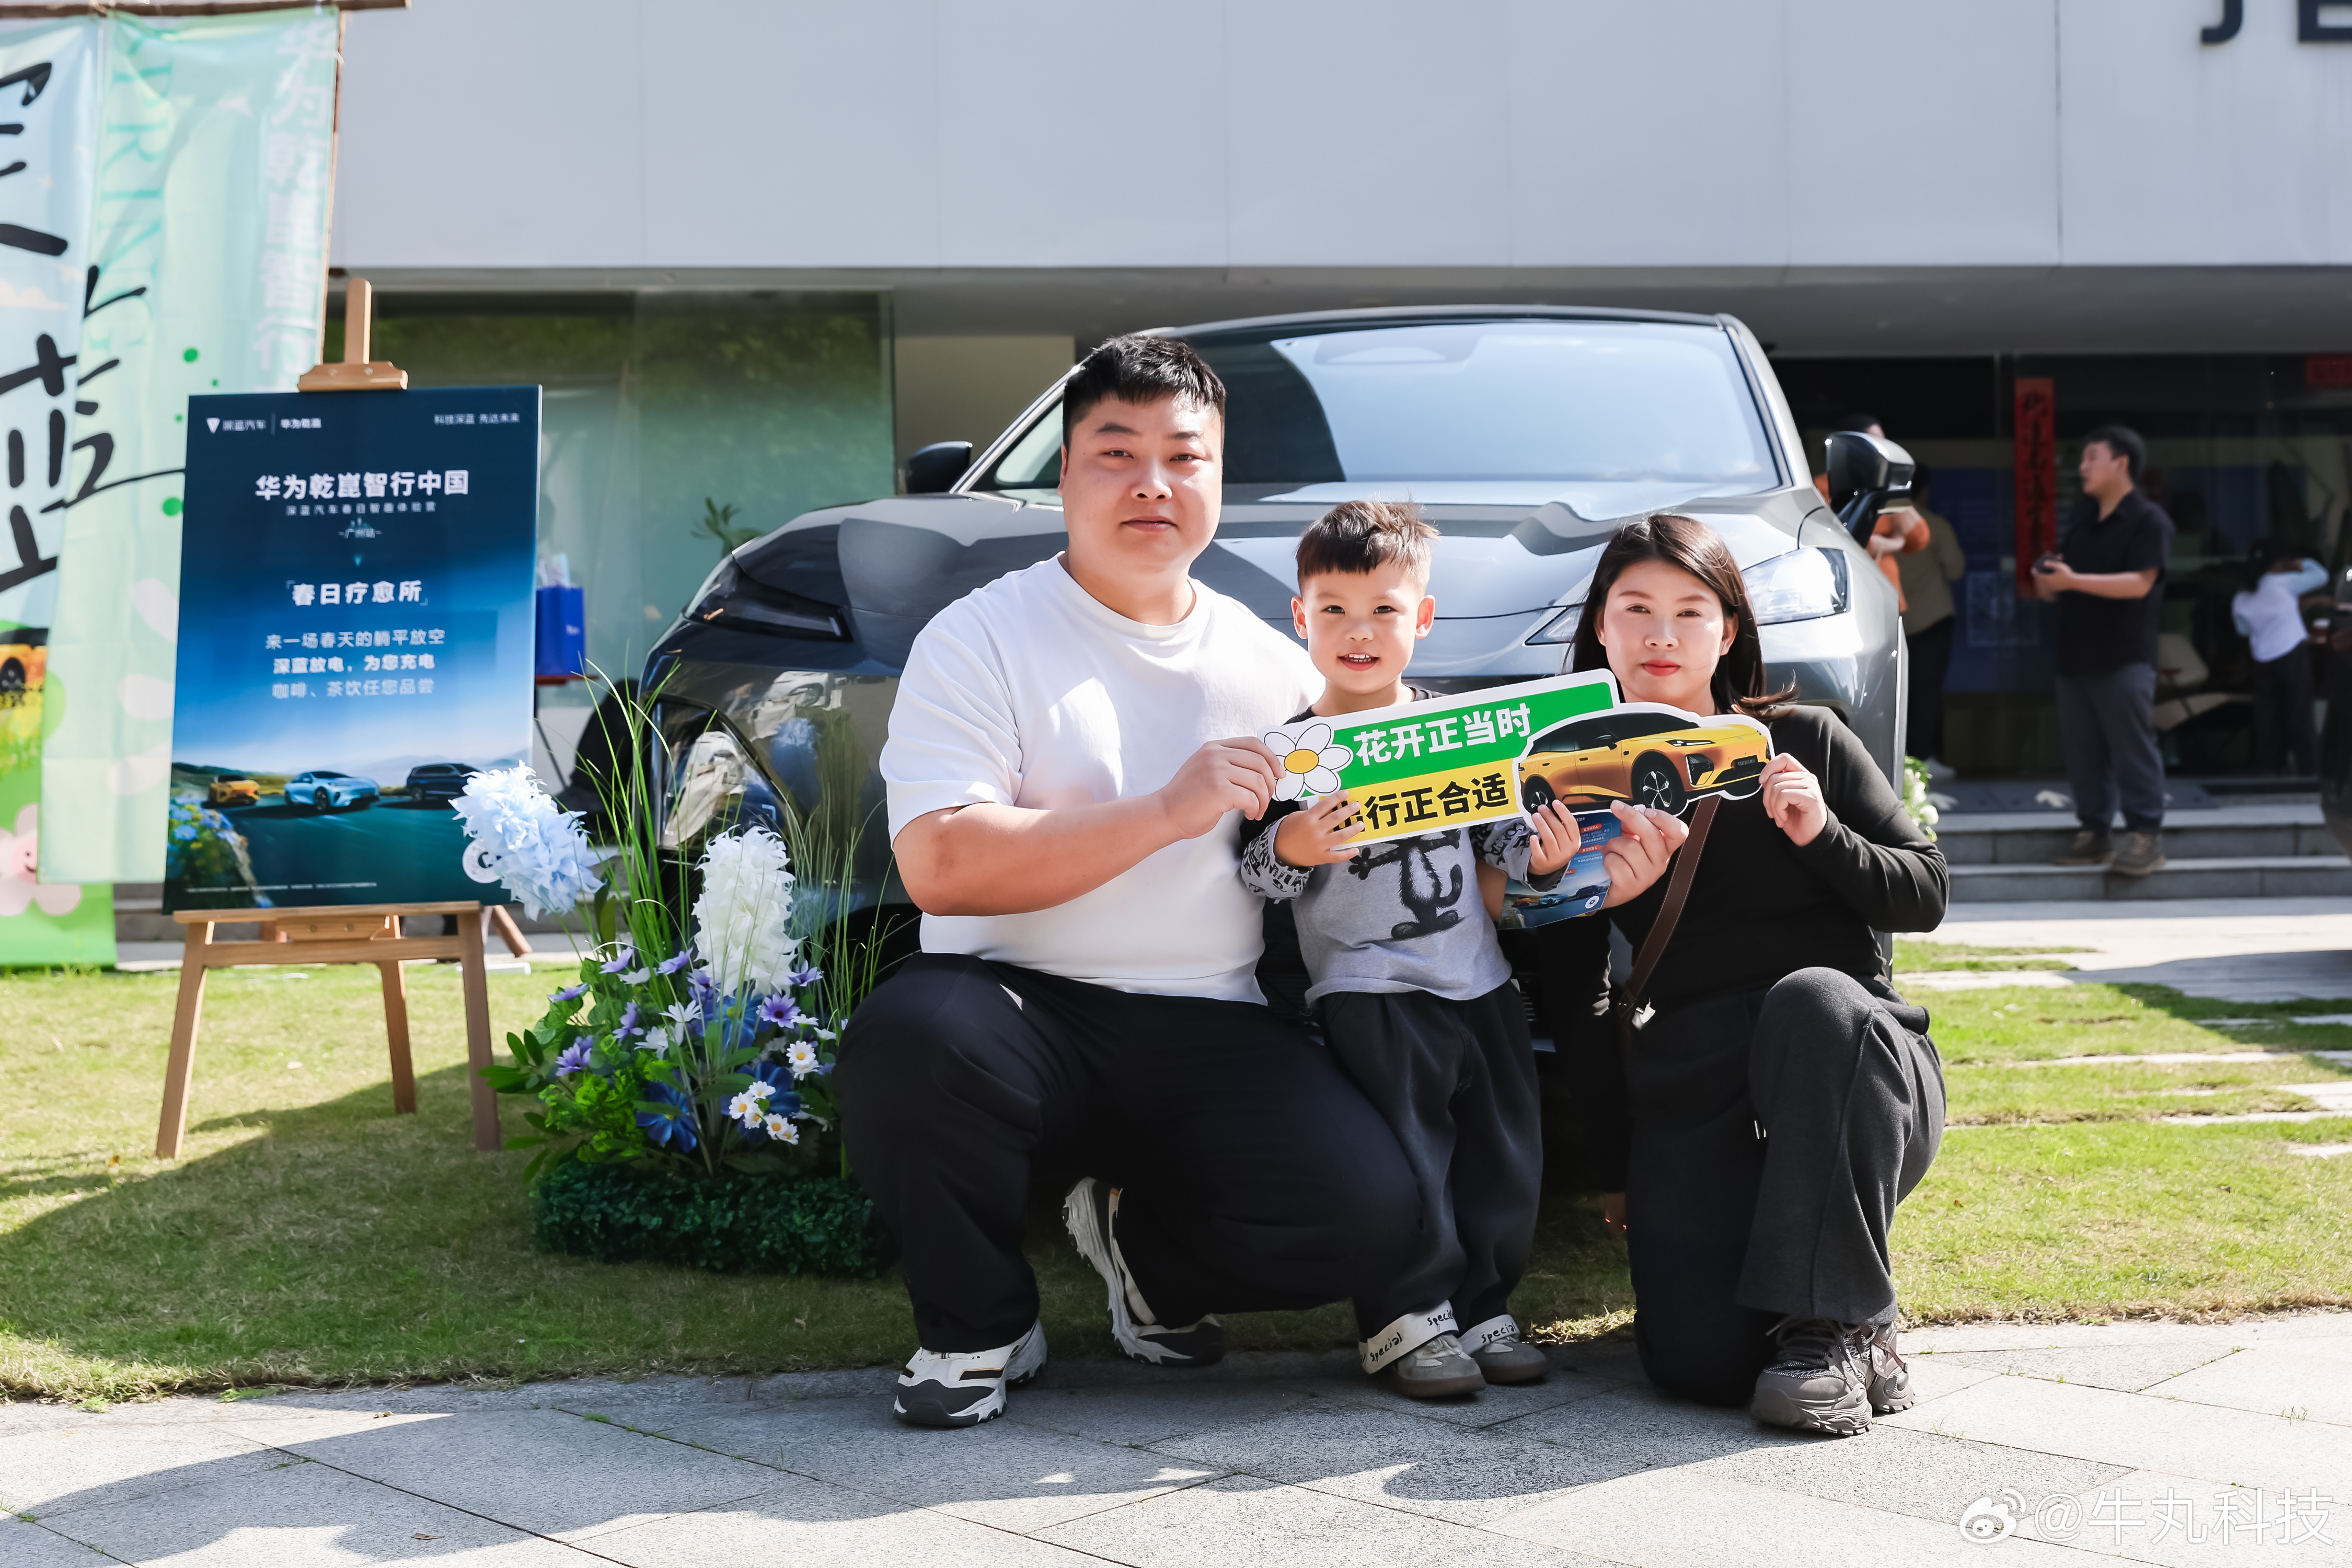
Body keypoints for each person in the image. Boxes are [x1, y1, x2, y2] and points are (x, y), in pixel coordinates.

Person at [836, 336, 1685, 1429]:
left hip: (1212, 1020)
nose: (1153, 483)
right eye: (1117, 453)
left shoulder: (1286, 671)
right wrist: (1165, 811)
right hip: (1013, 1008)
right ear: (1067, 474)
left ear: (1218, 478)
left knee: (1373, 1217)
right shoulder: (981, 637)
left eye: (1184, 456)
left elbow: (1423, 866)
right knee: (912, 1040)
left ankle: (1151, 1265)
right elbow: (941, 865)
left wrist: (1573, 879)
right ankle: (978, 1328)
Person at [1533, 511, 1948, 1436]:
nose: (1662, 635)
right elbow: (1577, 994)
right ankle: (1826, 1316)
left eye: (1690, 612)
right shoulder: (1575, 788)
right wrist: (1617, 1168)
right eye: (1636, 609)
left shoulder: (1804, 740)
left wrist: (1823, 835)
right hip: (1699, 1083)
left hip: (1855, 1063)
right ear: (1601, 627)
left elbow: (1925, 893)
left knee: (1814, 1000)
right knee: (1699, 1369)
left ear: (1728, 632)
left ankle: (1839, 1332)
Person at [1239, 500, 1653, 1400]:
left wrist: (1543, 855)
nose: (1360, 631)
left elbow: (1503, 844)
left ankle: (1484, 1306)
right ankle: (1407, 1317)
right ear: (1301, 618)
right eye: (1335, 609)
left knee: (1503, 1154)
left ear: (1422, 618)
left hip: (1479, 984)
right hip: (1368, 992)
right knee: (1409, 1157)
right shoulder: (1294, 758)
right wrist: (1291, 845)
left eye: (1384, 609)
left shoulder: (1463, 736)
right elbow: (1254, 880)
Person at [2033, 426, 2175, 877]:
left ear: (2121, 463)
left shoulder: (2149, 521)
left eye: (2091, 457)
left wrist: (2073, 580)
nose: (2082, 468)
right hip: (2076, 659)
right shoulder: (2083, 527)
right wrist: (2048, 579)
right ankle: (2094, 833)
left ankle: (2146, 835)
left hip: (2125, 658)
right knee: (2084, 756)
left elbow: (2140, 583)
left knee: (2133, 751)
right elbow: (2058, 594)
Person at [1891, 465, 1967, 768]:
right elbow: (1956, 568)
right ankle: (1923, 760)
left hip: (1893, 623)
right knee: (1928, 693)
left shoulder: (1879, 527)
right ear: (1923, 490)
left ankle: (1899, 763)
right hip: (1933, 620)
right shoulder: (1933, 525)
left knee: (1897, 694)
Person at [2232, 541, 2327, 776]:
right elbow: (2321, 576)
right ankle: (2309, 772)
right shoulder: (2284, 583)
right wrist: (2301, 563)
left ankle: (2270, 771)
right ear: (2278, 563)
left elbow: (2243, 630)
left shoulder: (2242, 596)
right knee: (2300, 715)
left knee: (2268, 717)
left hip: (2263, 660)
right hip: (2291, 653)